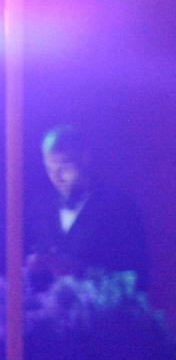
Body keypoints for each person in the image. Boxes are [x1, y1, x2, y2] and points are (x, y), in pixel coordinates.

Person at [30, 124, 147, 292]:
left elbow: (137, 276)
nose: (57, 177)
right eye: (50, 168)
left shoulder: (118, 208)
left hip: (102, 315)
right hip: (48, 314)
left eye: (65, 166)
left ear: (85, 158)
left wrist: (80, 271)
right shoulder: (40, 207)